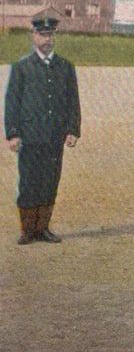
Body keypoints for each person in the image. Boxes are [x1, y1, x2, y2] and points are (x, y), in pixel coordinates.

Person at [4, 17, 81, 245]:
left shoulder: (65, 67)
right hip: (29, 136)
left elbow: (72, 102)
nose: (47, 40)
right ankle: (28, 230)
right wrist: (13, 133)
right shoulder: (22, 67)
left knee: (50, 181)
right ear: (34, 36)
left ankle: (43, 228)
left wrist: (73, 130)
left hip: (54, 136)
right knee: (28, 182)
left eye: (50, 35)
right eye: (42, 35)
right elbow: (12, 103)